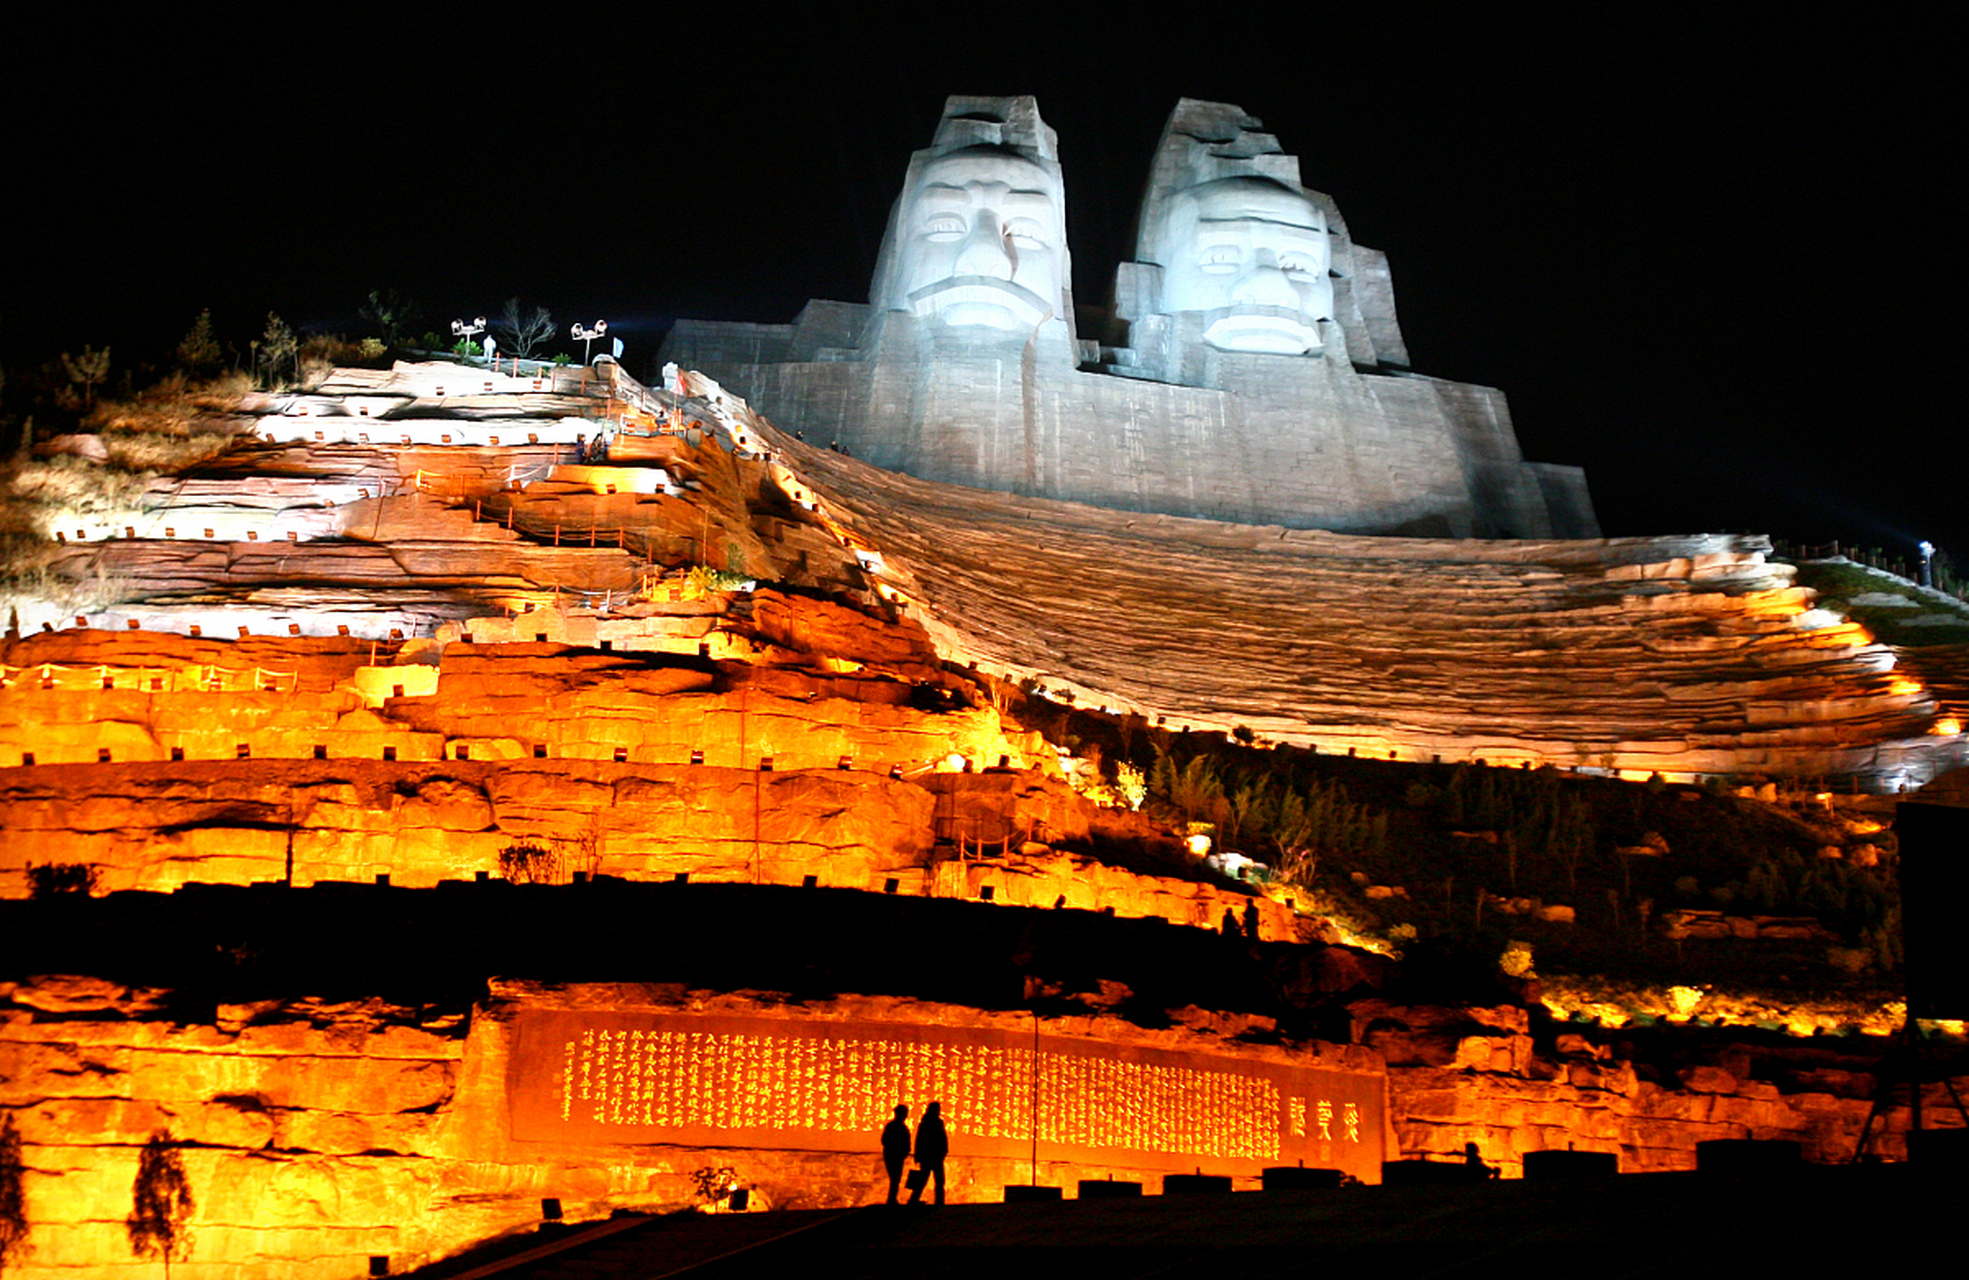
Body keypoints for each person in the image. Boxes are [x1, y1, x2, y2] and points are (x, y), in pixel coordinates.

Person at [908, 1100, 948, 1204]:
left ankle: (937, 1200)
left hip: (933, 1156)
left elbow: (942, 1139)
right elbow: (921, 1139)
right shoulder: (928, 1123)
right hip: (929, 1156)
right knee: (926, 1179)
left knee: (935, 1180)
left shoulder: (935, 1122)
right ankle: (936, 1201)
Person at [880, 1104, 912, 1205]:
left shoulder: (899, 1127)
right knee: (895, 1178)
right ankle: (891, 1199)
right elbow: (885, 1140)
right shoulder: (895, 1127)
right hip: (893, 1155)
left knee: (895, 1178)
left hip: (896, 1155)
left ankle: (892, 1199)